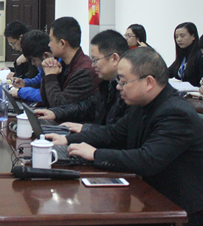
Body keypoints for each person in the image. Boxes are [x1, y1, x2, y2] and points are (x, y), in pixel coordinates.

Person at [47, 47, 203, 226]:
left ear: (149, 82)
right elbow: (113, 133)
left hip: (179, 211)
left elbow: (147, 160)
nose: (118, 87)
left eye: (123, 81)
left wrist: (95, 154)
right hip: (150, 196)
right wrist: (67, 140)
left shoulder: (176, 113)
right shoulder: (142, 104)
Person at [35, 30, 129, 132]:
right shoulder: (107, 83)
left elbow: (117, 133)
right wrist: (55, 113)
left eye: (95, 60)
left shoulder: (128, 90)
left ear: (114, 59)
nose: (93, 65)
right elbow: (88, 106)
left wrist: (83, 128)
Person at [40, 17, 100, 107]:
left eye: (51, 40)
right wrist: (47, 72)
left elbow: (60, 105)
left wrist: (50, 76)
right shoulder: (64, 64)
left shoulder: (84, 72)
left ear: (62, 43)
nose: (49, 45)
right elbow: (47, 100)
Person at [9, 30, 51, 103]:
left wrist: (21, 92)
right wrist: (25, 82)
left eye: (34, 60)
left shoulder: (58, 66)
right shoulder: (45, 65)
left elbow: (47, 96)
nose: (33, 63)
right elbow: (39, 78)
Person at [167, 22, 203, 87]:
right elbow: (167, 73)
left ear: (193, 36)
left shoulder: (200, 55)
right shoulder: (182, 56)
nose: (179, 39)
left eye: (182, 36)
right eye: (176, 37)